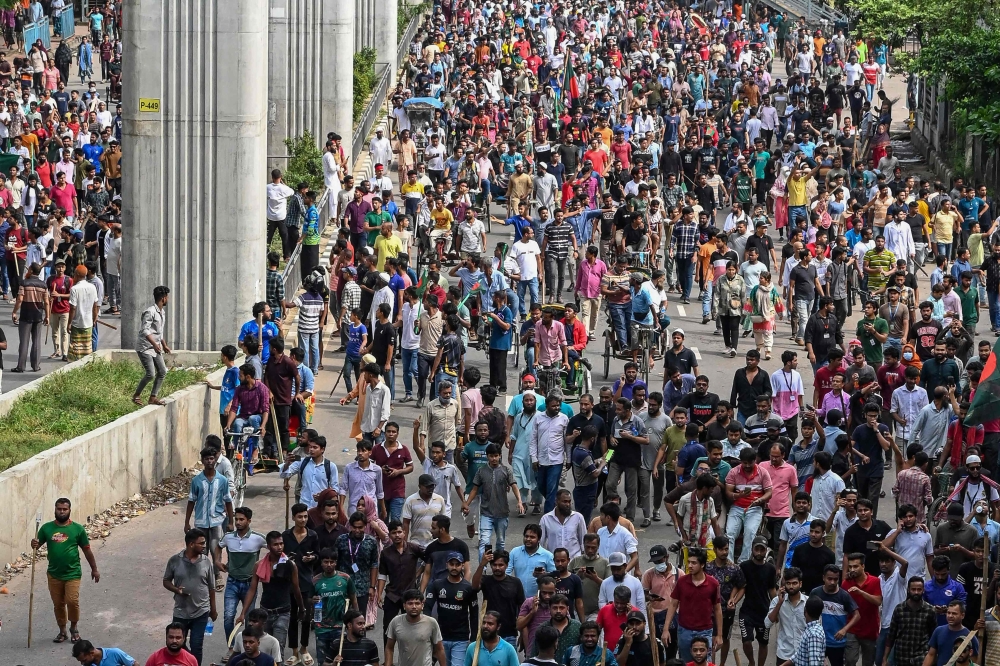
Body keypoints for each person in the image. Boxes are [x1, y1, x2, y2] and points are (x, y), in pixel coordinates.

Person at [31, 497, 100, 645]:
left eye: (64, 509)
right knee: (58, 604)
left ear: (69, 510)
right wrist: (34, 543)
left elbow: (87, 551)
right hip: (54, 574)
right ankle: (62, 630)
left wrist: (94, 569)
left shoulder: (77, 529)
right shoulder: (46, 528)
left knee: (72, 601)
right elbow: (37, 545)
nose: (61, 511)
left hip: (72, 573)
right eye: (59, 509)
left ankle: (74, 628)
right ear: (55, 509)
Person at [235, 531, 307, 653]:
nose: (279, 547)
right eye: (275, 544)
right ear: (268, 546)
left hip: (283, 612)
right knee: (263, 648)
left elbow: (296, 589)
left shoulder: (290, 565)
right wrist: (243, 613)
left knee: (279, 649)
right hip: (264, 613)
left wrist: (301, 608)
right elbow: (252, 589)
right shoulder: (259, 565)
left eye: (281, 544)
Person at [162, 529, 216, 666]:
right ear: (191, 544)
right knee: (178, 644)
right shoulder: (175, 560)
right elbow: (166, 581)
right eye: (201, 543)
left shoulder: (206, 562)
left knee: (197, 645)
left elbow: (211, 587)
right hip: (181, 611)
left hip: (201, 611)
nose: (204, 546)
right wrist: (176, 590)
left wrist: (213, 609)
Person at [184, 446, 234, 589]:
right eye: (206, 459)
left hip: (217, 520)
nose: (209, 461)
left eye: (212, 458)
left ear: (215, 459)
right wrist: (186, 522)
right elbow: (191, 501)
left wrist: (231, 521)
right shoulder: (197, 481)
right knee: (201, 549)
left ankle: (217, 575)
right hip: (201, 521)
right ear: (202, 461)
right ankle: (202, 575)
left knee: (215, 547)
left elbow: (228, 501)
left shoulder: (222, 480)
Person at [217, 506, 268, 645]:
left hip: (250, 583)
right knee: (228, 617)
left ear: (249, 521)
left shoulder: (258, 538)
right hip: (232, 582)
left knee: (249, 620)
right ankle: (232, 647)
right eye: (236, 519)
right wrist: (217, 561)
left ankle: (247, 648)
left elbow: (276, 548)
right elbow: (218, 546)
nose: (238, 522)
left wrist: (265, 566)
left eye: (241, 519)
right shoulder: (228, 537)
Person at [462, 444, 524, 558]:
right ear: (487, 456)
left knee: (500, 542)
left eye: (496, 456)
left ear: (500, 456)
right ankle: (483, 569)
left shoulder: (506, 471)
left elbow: (514, 485)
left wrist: (519, 501)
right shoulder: (481, 471)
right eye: (491, 456)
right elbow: (474, 489)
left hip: (502, 513)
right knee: (484, 542)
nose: (494, 459)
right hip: (486, 513)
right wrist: (466, 503)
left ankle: (499, 567)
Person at [664, 548, 723, 661]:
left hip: (705, 631)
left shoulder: (713, 584)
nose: (690, 565)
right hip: (684, 631)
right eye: (689, 562)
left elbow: (717, 609)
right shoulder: (682, 582)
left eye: (694, 563)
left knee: (705, 662)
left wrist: (719, 635)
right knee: (686, 662)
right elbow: (673, 604)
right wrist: (666, 629)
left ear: (702, 565)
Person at [423, 551, 478, 666]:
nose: (454, 567)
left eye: (457, 564)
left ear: (462, 566)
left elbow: (474, 615)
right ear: (446, 565)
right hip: (440, 637)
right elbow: (427, 607)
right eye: (451, 564)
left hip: (461, 638)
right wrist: (428, 629)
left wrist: (473, 638)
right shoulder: (437, 585)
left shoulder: (468, 588)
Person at [724, 448, 773, 563]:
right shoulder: (733, 472)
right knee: (730, 534)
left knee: (750, 532)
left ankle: (743, 562)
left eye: (749, 463)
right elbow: (728, 493)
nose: (746, 465)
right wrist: (738, 495)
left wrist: (760, 500)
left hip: (755, 508)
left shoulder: (763, 473)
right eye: (744, 463)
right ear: (740, 461)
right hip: (737, 507)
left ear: (754, 460)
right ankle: (729, 563)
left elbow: (769, 493)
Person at [312, 547, 358, 665]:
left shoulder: (345, 578)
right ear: (321, 563)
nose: (329, 565)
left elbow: (353, 598)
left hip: (340, 628)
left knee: (341, 661)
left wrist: (356, 619)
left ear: (336, 563)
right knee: (323, 661)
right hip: (321, 628)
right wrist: (311, 600)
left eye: (332, 562)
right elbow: (308, 599)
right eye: (326, 562)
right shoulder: (315, 581)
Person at [810, 565, 860, 666]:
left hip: (837, 643)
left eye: (835, 579)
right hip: (818, 641)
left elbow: (857, 615)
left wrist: (844, 630)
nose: (832, 582)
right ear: (823, 577)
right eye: (829, 579)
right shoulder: (815, 593)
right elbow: (808, 613)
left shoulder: (844, 596)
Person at [843, 552, 883, 666]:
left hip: (870, 629)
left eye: (855, 566)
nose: (852, 569)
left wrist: (861, 592)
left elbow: (878, 601)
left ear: (863, 566)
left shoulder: (875, 581)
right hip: (852, 628)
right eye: (850, 567)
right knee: (850, 660)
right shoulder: (846, 583)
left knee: (868, 662)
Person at [765, 566, 808, 666]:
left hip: (803, 654)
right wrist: (779, 603)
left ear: (800, 584)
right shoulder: (777, 601)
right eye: (788, 583)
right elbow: (767, 623)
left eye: (794, 583)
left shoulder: (808, 602)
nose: (791, 586)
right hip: (784, 654)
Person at [924, 601, 980, 666]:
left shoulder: (970, 636)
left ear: (962, 615)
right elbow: (931, 655)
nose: (950, 616)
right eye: (948, 613)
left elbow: (973, 661)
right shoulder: (938, 631)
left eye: (954, 613)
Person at [791, 520, 837, 595]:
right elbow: (794, 571)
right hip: (801, 592)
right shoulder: (799, 550)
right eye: (811, 531)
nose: (813, 534)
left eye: (817, 532)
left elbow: (830, 576)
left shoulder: (829, 554)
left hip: (820, 593)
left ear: (823, 533)